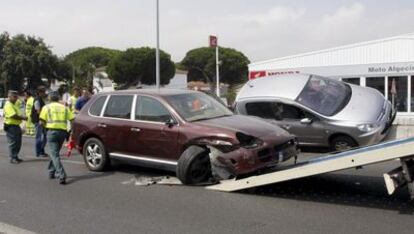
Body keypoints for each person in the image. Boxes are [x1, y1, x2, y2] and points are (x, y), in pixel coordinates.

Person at [39, 91, 74, 185]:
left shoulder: (46, 107)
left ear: (50, 98)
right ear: (58, 98)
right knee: (54, 153)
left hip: (51, 132)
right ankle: (51, 172)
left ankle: (62, 174)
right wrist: (71, 131)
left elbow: (42, 122)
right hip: (62, 133)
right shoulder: (65, 108)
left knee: (54, 154)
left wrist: (45, 129)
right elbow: (72, 120)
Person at [4, 90, 27, 164]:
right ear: (9, 97)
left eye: (16, 96)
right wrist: (23, 118)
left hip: (16, 126)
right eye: (14, 97)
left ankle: (15, 156)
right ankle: (13, 158)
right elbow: (13, 116)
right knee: (13, 143)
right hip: (11, 126)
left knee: (18, 142)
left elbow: (22, 102)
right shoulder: (8, 105)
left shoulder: (14, 103)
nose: (16, 98)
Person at [32, 86, 48, 157]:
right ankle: (38, 152)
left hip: (42, 120)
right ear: (39, 92)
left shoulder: (41, 99)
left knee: (44, 136)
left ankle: (41, 150)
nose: (45, 93)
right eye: (43, 92)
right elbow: (38, 111)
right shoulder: (37, 100)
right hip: (38, 121)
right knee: (39, 137)